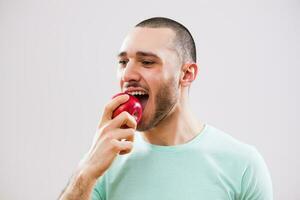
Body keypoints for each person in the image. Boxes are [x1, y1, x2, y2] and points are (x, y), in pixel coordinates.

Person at [59, 17, 273, 200]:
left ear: (186, 74)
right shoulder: (103, 163)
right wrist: (85, 173)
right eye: (123, 62)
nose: (127, 75)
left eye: (147, 62)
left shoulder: (243, 165)